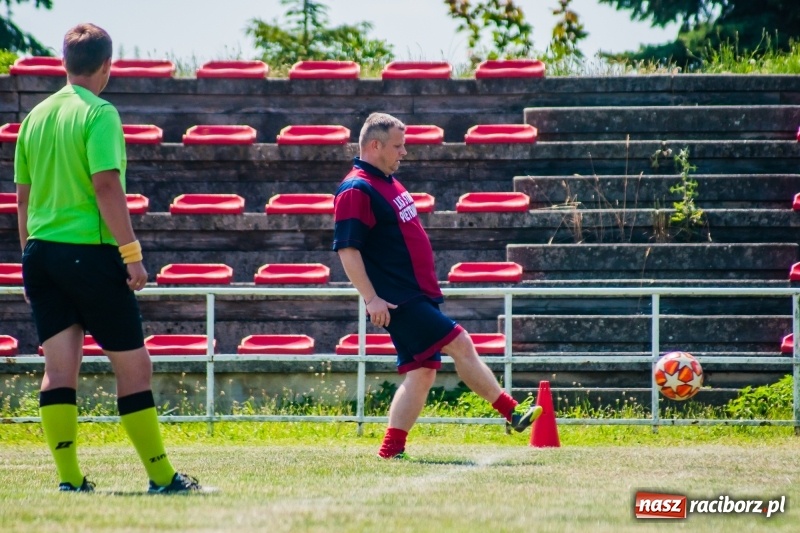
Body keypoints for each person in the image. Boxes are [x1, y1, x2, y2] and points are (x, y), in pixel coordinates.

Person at [15, 23, 203, 493]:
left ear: (64, 62)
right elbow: (106, 186)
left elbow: (22, 198)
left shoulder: (35, 117)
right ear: (106, 66)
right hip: (89, 253)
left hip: (39, 252)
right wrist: (133, 255)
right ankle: (162, 477)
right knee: (135, 367)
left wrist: (28, 258)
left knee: (59, 370)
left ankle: (70, 480)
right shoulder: (99, 113)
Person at [333, 112, 542, 459]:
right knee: (460, 343)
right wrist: (371, 299)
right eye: (398, 146)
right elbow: (347, 249)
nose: (404, 152)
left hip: (417, 294)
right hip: (400, 299)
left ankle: (390, 450)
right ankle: (512, 412)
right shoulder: (357, 189)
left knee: (422, 373)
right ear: (375, 145)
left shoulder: (386, 180)